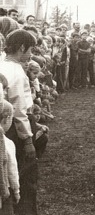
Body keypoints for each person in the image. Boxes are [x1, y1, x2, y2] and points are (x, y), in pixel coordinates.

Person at [0, 30, 37, 214]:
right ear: (22, 47)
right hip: (14, 126)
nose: (31, 54)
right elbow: (19, 110)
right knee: (26, 172)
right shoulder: (15, 72)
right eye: (30, 49)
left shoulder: (3, 64)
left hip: (6, 124)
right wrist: (28, 139)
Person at [0, 86, 20, 214]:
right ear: (6, 118)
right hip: (4, 190)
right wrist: (16, 191)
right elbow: (12, 170)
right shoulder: (6, 143)